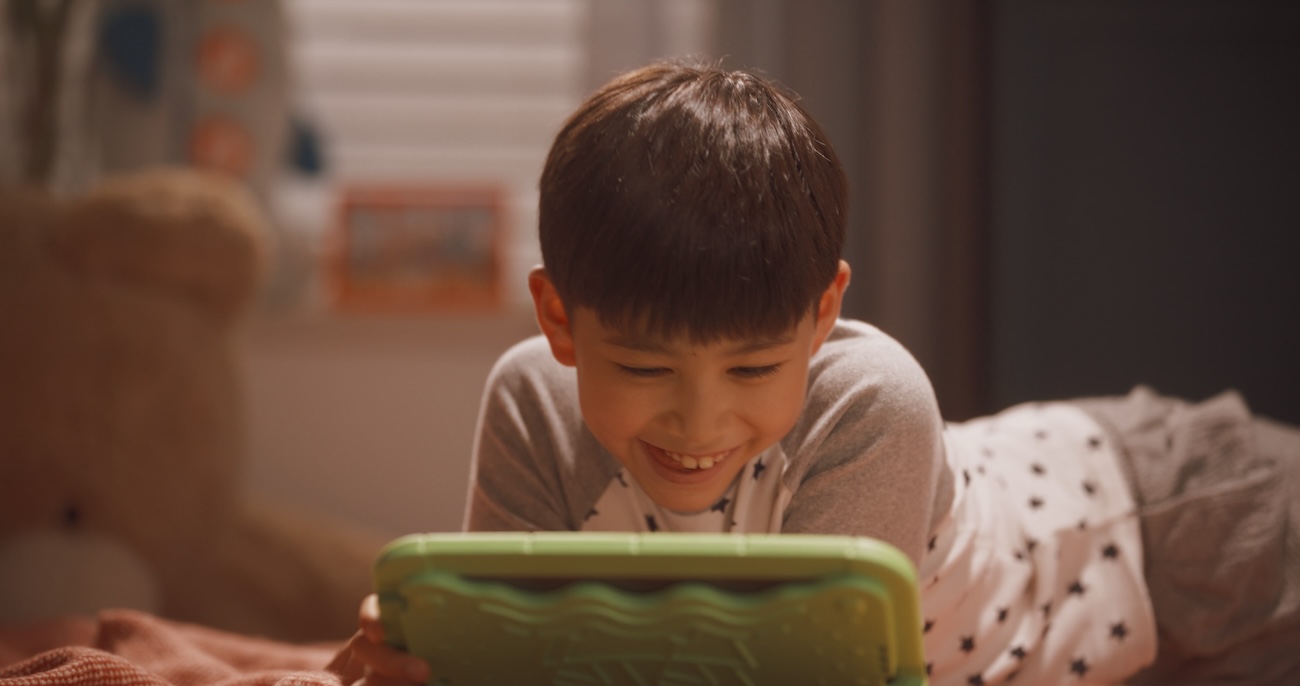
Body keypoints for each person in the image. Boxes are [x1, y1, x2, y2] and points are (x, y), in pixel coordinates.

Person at [330, 59, 1300, 686]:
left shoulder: (873, 402)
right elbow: (526, 661)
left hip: (1172, 523)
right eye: (640, 363)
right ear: (558, 317)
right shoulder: (528, 404)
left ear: (823, 311)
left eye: (754, 365)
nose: (698, 419)